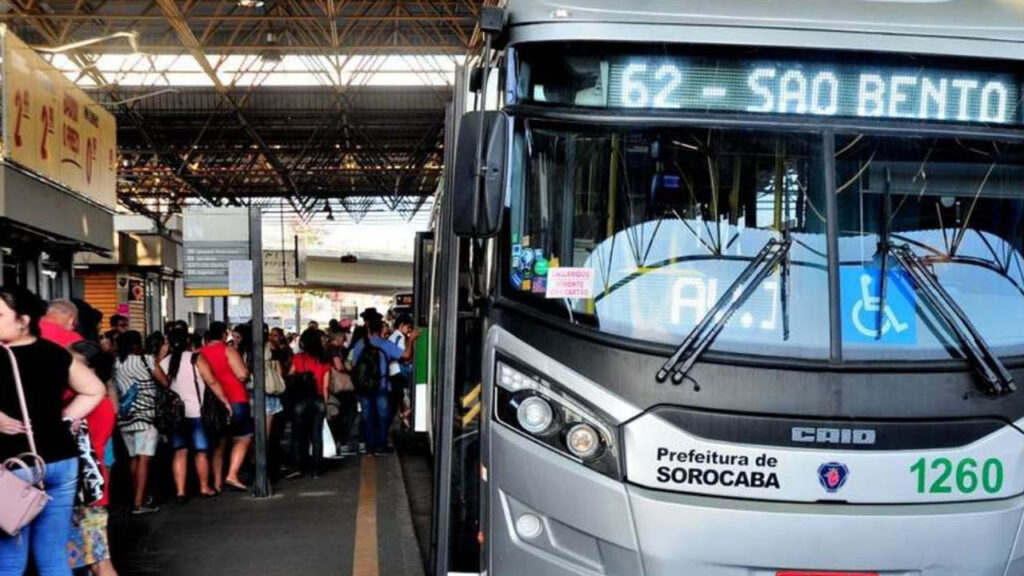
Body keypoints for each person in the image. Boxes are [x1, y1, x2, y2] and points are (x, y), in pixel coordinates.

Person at [0, 286, 106, 576]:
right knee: (53, 556)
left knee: (9, 561)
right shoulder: (56, 353)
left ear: (23, 319)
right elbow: (95, 390)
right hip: (61, 460)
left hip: (14, 465)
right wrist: (63, 418)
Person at [67, 340, 119, 576]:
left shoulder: (90, 403)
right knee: (89, 561)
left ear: (92, 370)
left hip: (86, 489)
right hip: (91, 487)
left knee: (98, 561)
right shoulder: (104, 401)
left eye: (74, 364)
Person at [161, 326, 229, 502]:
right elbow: (212, 381)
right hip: (196, 412)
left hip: (175, 415)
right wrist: (225, 401)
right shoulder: (195, 358)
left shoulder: (164, 362)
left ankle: (180, 492)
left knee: (180, 452)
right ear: (188, 342)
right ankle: (204, 487)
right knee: (201, 451)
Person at [113, 330, 169, 514]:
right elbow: (165, 382)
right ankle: (139, 502)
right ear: (136, 345)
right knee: (145, 458)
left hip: (125, 416)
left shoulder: (115, 363)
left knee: (134, 458)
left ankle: (136, 497)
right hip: (145, 416)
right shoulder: (145, 360)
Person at [350, 316, 418, 455]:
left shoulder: (360, 344)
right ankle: (380, 446)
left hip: (364, 386)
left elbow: (353, 364)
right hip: (382, 385)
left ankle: (369, 448)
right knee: (382, 416)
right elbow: (406, 355)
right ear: (381, 330)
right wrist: (411, 340)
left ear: (368, 329)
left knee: (367, 416)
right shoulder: (385, 344)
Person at [199, 321, 252, 492]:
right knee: (243, 437)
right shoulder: (228, 350)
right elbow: (242, 375)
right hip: (236, 398)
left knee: (219, 443)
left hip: (213, 403)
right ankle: (232, 474)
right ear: (224, 335)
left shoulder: (199, 353)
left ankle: (217, 483)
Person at [288, 328, 331, 477]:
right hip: (318, 399)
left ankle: (298, 466)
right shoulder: (324, 360)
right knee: (316, 435)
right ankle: (316, 469)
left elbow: (290, 375)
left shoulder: (298, 358)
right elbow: (325, 386)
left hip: (300, 400)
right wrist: (325, 405)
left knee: (298, 434)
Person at [387, 314, 415, 431]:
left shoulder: (392, 337)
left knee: (398, 401)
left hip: (392, 373)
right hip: (398, 372)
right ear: (401, 326)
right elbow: (405, 355)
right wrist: (411, 340)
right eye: (408, 327)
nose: (409, 330)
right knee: (401, 399)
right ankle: (403, 417)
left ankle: (404, 419)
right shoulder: (399, 338)